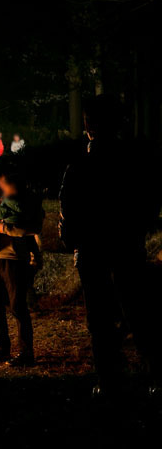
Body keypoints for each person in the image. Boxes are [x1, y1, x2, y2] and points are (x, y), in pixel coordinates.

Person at [59, 95, 162, 397]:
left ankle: (109, 379)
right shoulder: (134, 164)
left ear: (89, 125)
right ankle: (153, 374)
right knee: (137, 311)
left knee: (101, 318)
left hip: (92, 249)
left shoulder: (79, 165)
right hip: (126, 245)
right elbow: (149, 204)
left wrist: (73, 241)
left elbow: (68, 208)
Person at [0, 168, 43, 367]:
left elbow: (28, 230)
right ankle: (2, 348)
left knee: (18, 307)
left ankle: (25, 352)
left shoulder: (24, 205)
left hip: (15, 260)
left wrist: (5, 227)